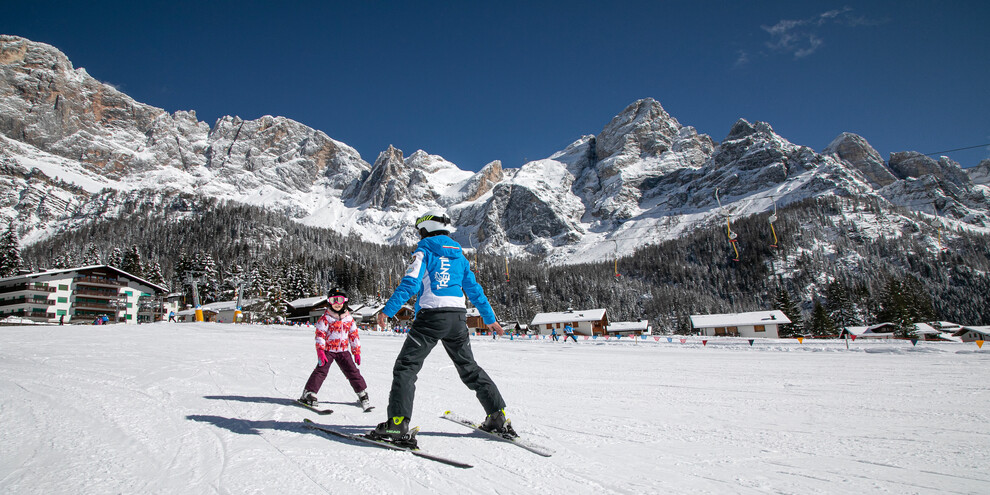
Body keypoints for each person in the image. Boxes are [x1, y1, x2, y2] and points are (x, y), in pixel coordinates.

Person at [369, 210, 515, 446]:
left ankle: (397, 425)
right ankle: (498, 417)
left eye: (419, 230)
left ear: (425, 229)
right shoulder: (459, 256)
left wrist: (388, 311)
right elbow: (474, 290)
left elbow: (410, 283)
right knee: (469, 368)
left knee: (406, 367)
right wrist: (489, 319)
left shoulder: (424, 250)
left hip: (430, 317)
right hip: (457, 318)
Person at [299, 289, 372, 412]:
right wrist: (321, 351)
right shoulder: (326, 318)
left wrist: (356, 352)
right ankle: (309, 393)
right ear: (329, 302)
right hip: (328, 350)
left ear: (345, 302)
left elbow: (353, 335)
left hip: (343, 351)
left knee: (352, 371)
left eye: (340, 300)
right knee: (321, 371)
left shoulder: (349, 319)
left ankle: (362, 393)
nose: (337, 303)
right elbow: (320, 334)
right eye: (334, 300)